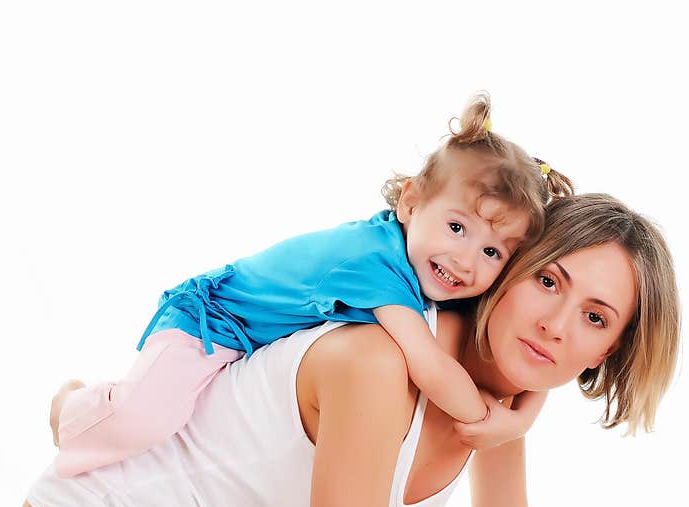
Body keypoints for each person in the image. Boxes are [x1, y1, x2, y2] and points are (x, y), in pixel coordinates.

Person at [10, 193, 681, 507]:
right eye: (547, 281)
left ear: (611, 347)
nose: (556, 325)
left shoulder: (494, 397)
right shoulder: (380, 364)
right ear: (510, 268)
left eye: (595, 317)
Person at [52, 92, 573, 478]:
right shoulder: (376, 265)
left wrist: (524, 418)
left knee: (188, 442)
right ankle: (71, 406)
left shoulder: (431, 264)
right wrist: (494, 422)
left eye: (491, 252)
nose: (465, 260)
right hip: (210, 319)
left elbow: (514, 351)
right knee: (143, 420)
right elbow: (431, 367)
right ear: (411, 202)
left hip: (251, 346)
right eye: (457, 227)